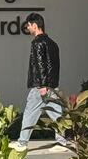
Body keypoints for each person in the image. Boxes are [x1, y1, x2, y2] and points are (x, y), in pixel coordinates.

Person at [15, 12, 63, 149]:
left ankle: (22, 143)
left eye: (29, 25)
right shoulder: (53, 44)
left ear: (35, 25)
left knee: (30, 113)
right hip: (53, 86)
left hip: (40, 87)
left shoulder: (37, 43)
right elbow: (55, 66)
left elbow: (40, 64)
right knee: (57, 114)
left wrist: (42, 85)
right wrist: (51, 84)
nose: (28, 28)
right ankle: (63, 141)